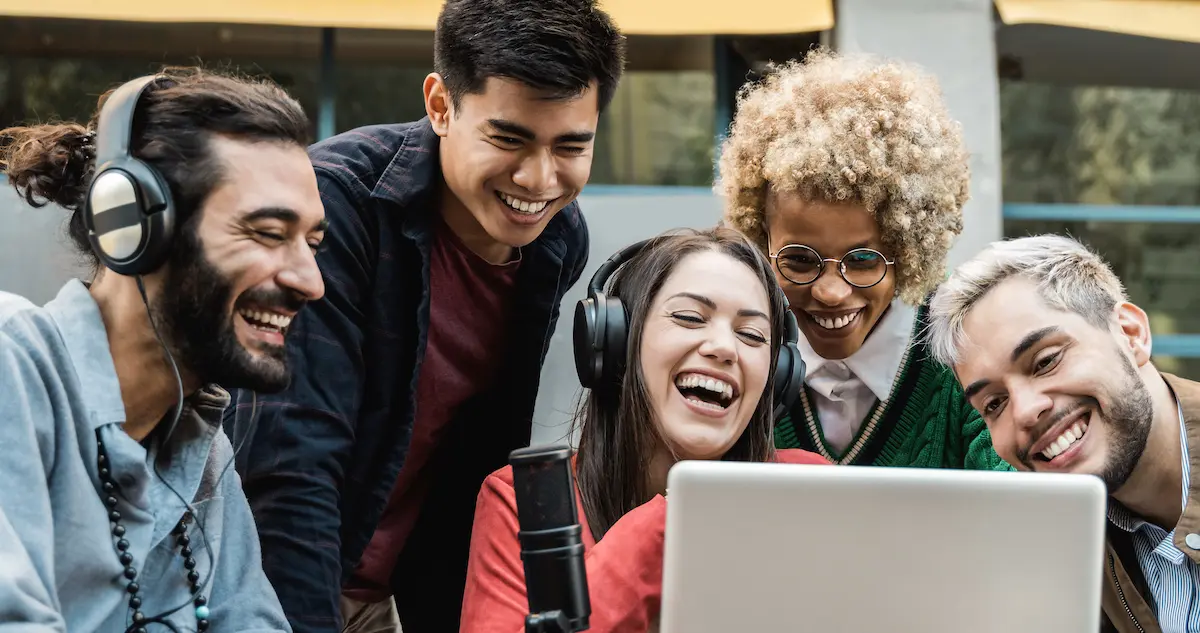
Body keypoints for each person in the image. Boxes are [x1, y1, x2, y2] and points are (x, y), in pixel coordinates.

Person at [220, 1, 627, 631]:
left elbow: (478, 453)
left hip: (393, 593)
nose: (539, 178)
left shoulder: (556, 239)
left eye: (571, 145)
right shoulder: (334, 207)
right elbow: (292, 459)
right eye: (508, 138)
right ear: (441, 105)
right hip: (269, 584)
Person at [0, 67, 326, 631]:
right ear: (134, 228)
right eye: (270, 233)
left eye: (313, 242)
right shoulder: (13, 364)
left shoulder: (203, 447)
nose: (310, 281)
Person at [458, 227, 830, 633]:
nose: (724, 347)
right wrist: (675, 518)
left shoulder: (807, 489)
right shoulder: (527, 502)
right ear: (617, 344)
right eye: (689, 317)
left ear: (775, 378)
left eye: (751, 335)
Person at [717, 49, 1010, 471]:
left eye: (863, 261)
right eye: (800, 260)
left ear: (908, 250)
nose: (831, 292)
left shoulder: (968, 351)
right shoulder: (734, 352)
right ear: (762, 243)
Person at [925, 233, 1200, 633]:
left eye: (1046, 361)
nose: (1025, 411)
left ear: (1130, 333)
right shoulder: (1061, 553)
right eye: (994, 404)